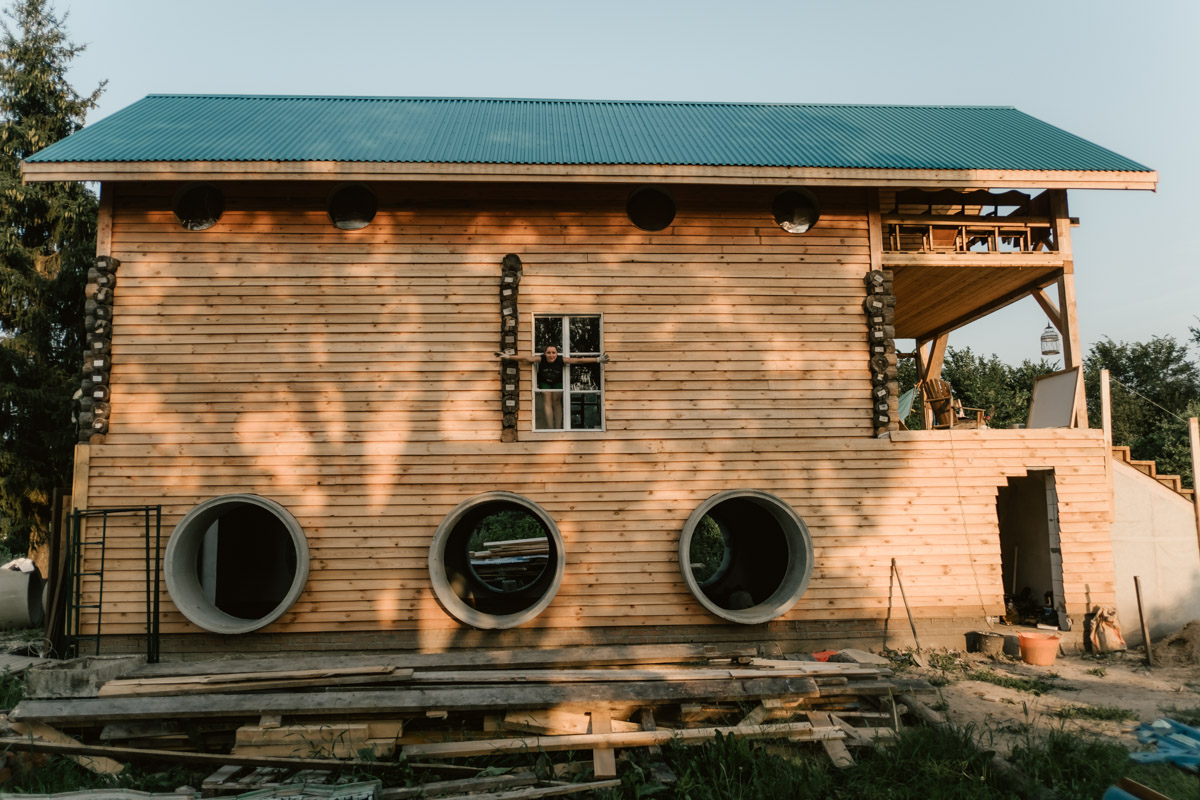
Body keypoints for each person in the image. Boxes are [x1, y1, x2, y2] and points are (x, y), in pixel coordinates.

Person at [496, 346, 610, 429]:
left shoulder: (561, 360)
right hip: (545, 382)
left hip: (557, 382)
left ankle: (558, 426)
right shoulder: (541, 359)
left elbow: (578, 360)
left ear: (557, 354)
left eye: (554, 353)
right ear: (545, 354)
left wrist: (597, 360)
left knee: (556, 402)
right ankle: (550, 427)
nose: (551, 355)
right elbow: (525, 358)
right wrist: (508, 356)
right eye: (549, 353)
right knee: (547, 400)